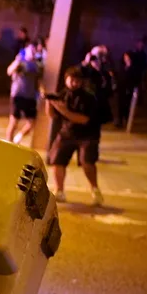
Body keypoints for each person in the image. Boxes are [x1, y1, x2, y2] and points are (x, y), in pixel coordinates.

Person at [46, 66, 105, 206]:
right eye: (71, 80)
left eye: (77, 80)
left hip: (88, 135)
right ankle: (59, 191)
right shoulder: (63, 94)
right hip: (67, 132)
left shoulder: (88, 97)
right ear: (66, 80)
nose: (74, 83)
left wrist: (62, 109)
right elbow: (53, 116)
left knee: (87, 162)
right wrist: (49, 103)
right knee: (57, 160)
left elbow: (82, 119)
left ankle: (95, 190)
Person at [6, 45, 42, 144]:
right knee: (14, 122)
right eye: (30, 50)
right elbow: (9, 71)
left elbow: (38, 80)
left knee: (32, 123)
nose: (32, 52)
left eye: (34, 50)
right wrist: (18, 60)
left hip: (30, 97)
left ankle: (18, 137)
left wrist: (39, 93)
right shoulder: (20, 62)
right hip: (18, 95)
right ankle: (8, 143)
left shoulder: (37, 65)